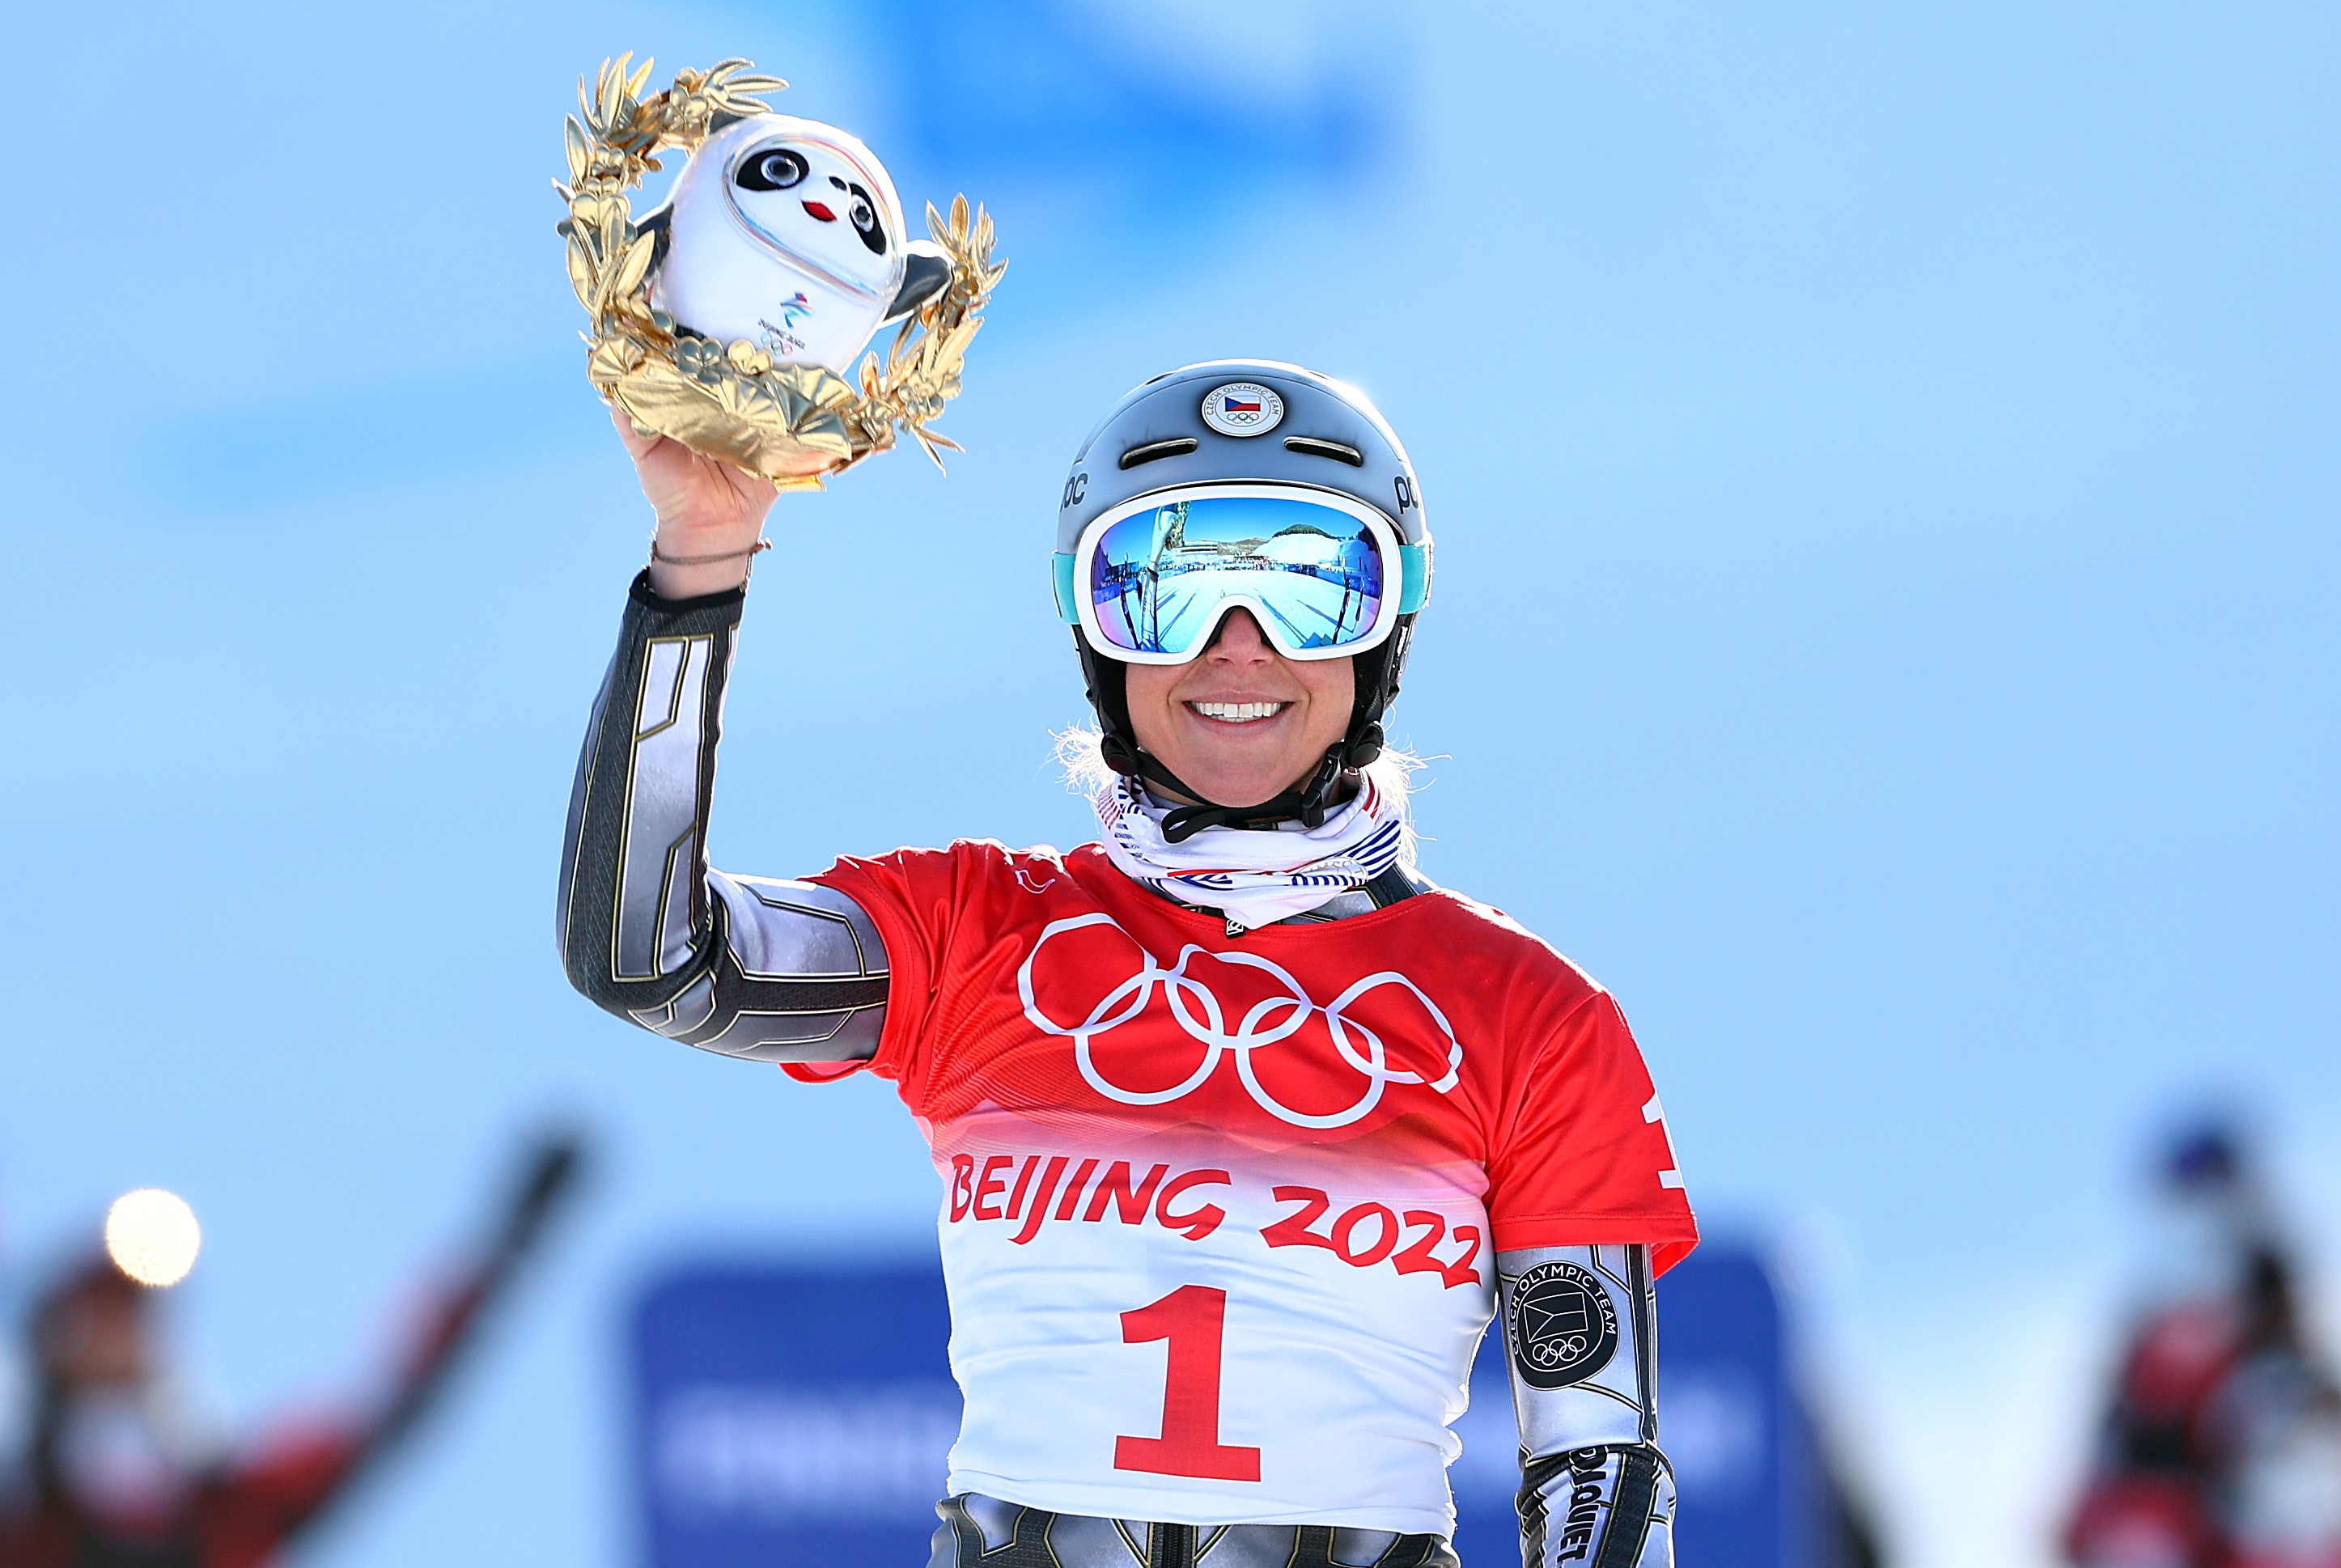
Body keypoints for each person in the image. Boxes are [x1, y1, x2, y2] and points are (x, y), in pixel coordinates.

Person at [559, 361, 1698, 1568]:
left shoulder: (1529, 1017)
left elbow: (1597, 1465)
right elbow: (654, 957)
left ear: (1389, 630)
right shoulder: (976, 932)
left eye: (1314, 589)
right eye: (1164, 590)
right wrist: (698, 560)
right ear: (1094, 640)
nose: (1238, 650)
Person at [0, 1134, 581, 1568]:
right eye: (97, 1320)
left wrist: (507, 1245)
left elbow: (388, 1408)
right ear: (52, 1342)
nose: (119, 1343)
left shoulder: (227, 1510)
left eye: (136, 1321)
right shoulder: (26, 1517)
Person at [2063, 1121, 2341, 1568]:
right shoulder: (2149, 1348)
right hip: (2173, 1515)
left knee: (2298, 1477)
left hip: (2263, 1512)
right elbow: (2108, 1498)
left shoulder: (2282, 1357)